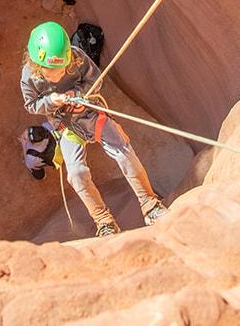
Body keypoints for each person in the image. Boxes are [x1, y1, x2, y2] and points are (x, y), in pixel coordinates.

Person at [20, 21, 168, 236]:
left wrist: (78, 95)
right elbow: (31, 105)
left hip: (91, 114)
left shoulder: (77, 56)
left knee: (123, 151)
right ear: (36, 64)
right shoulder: (28, 76)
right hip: (66, 125)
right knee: (77, 174)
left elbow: (95, 80)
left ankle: (150, 204)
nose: (58, 75)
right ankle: (104, 221)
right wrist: (52, 100)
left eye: (62, 68)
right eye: (51, 71)